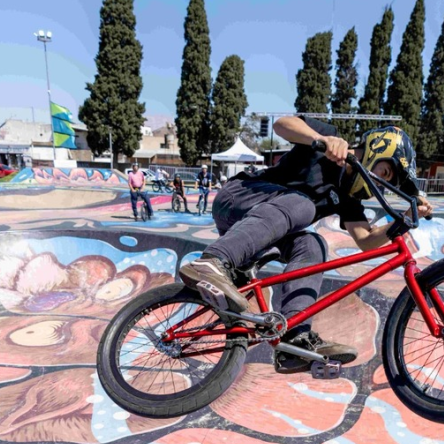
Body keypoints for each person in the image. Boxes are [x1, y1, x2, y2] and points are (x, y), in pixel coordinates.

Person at [178, 118, 430, 374]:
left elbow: (366, 241)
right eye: (384, 173)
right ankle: (212, 261)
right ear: (377, 150)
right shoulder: (327, 139)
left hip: (266, 229)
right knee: (304, 205)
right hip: (239, 198)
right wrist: (320, 141)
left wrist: (404, 221)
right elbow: (282, 125)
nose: (378, 183)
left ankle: (294, 337)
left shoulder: (348, 197)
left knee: (313, 243)